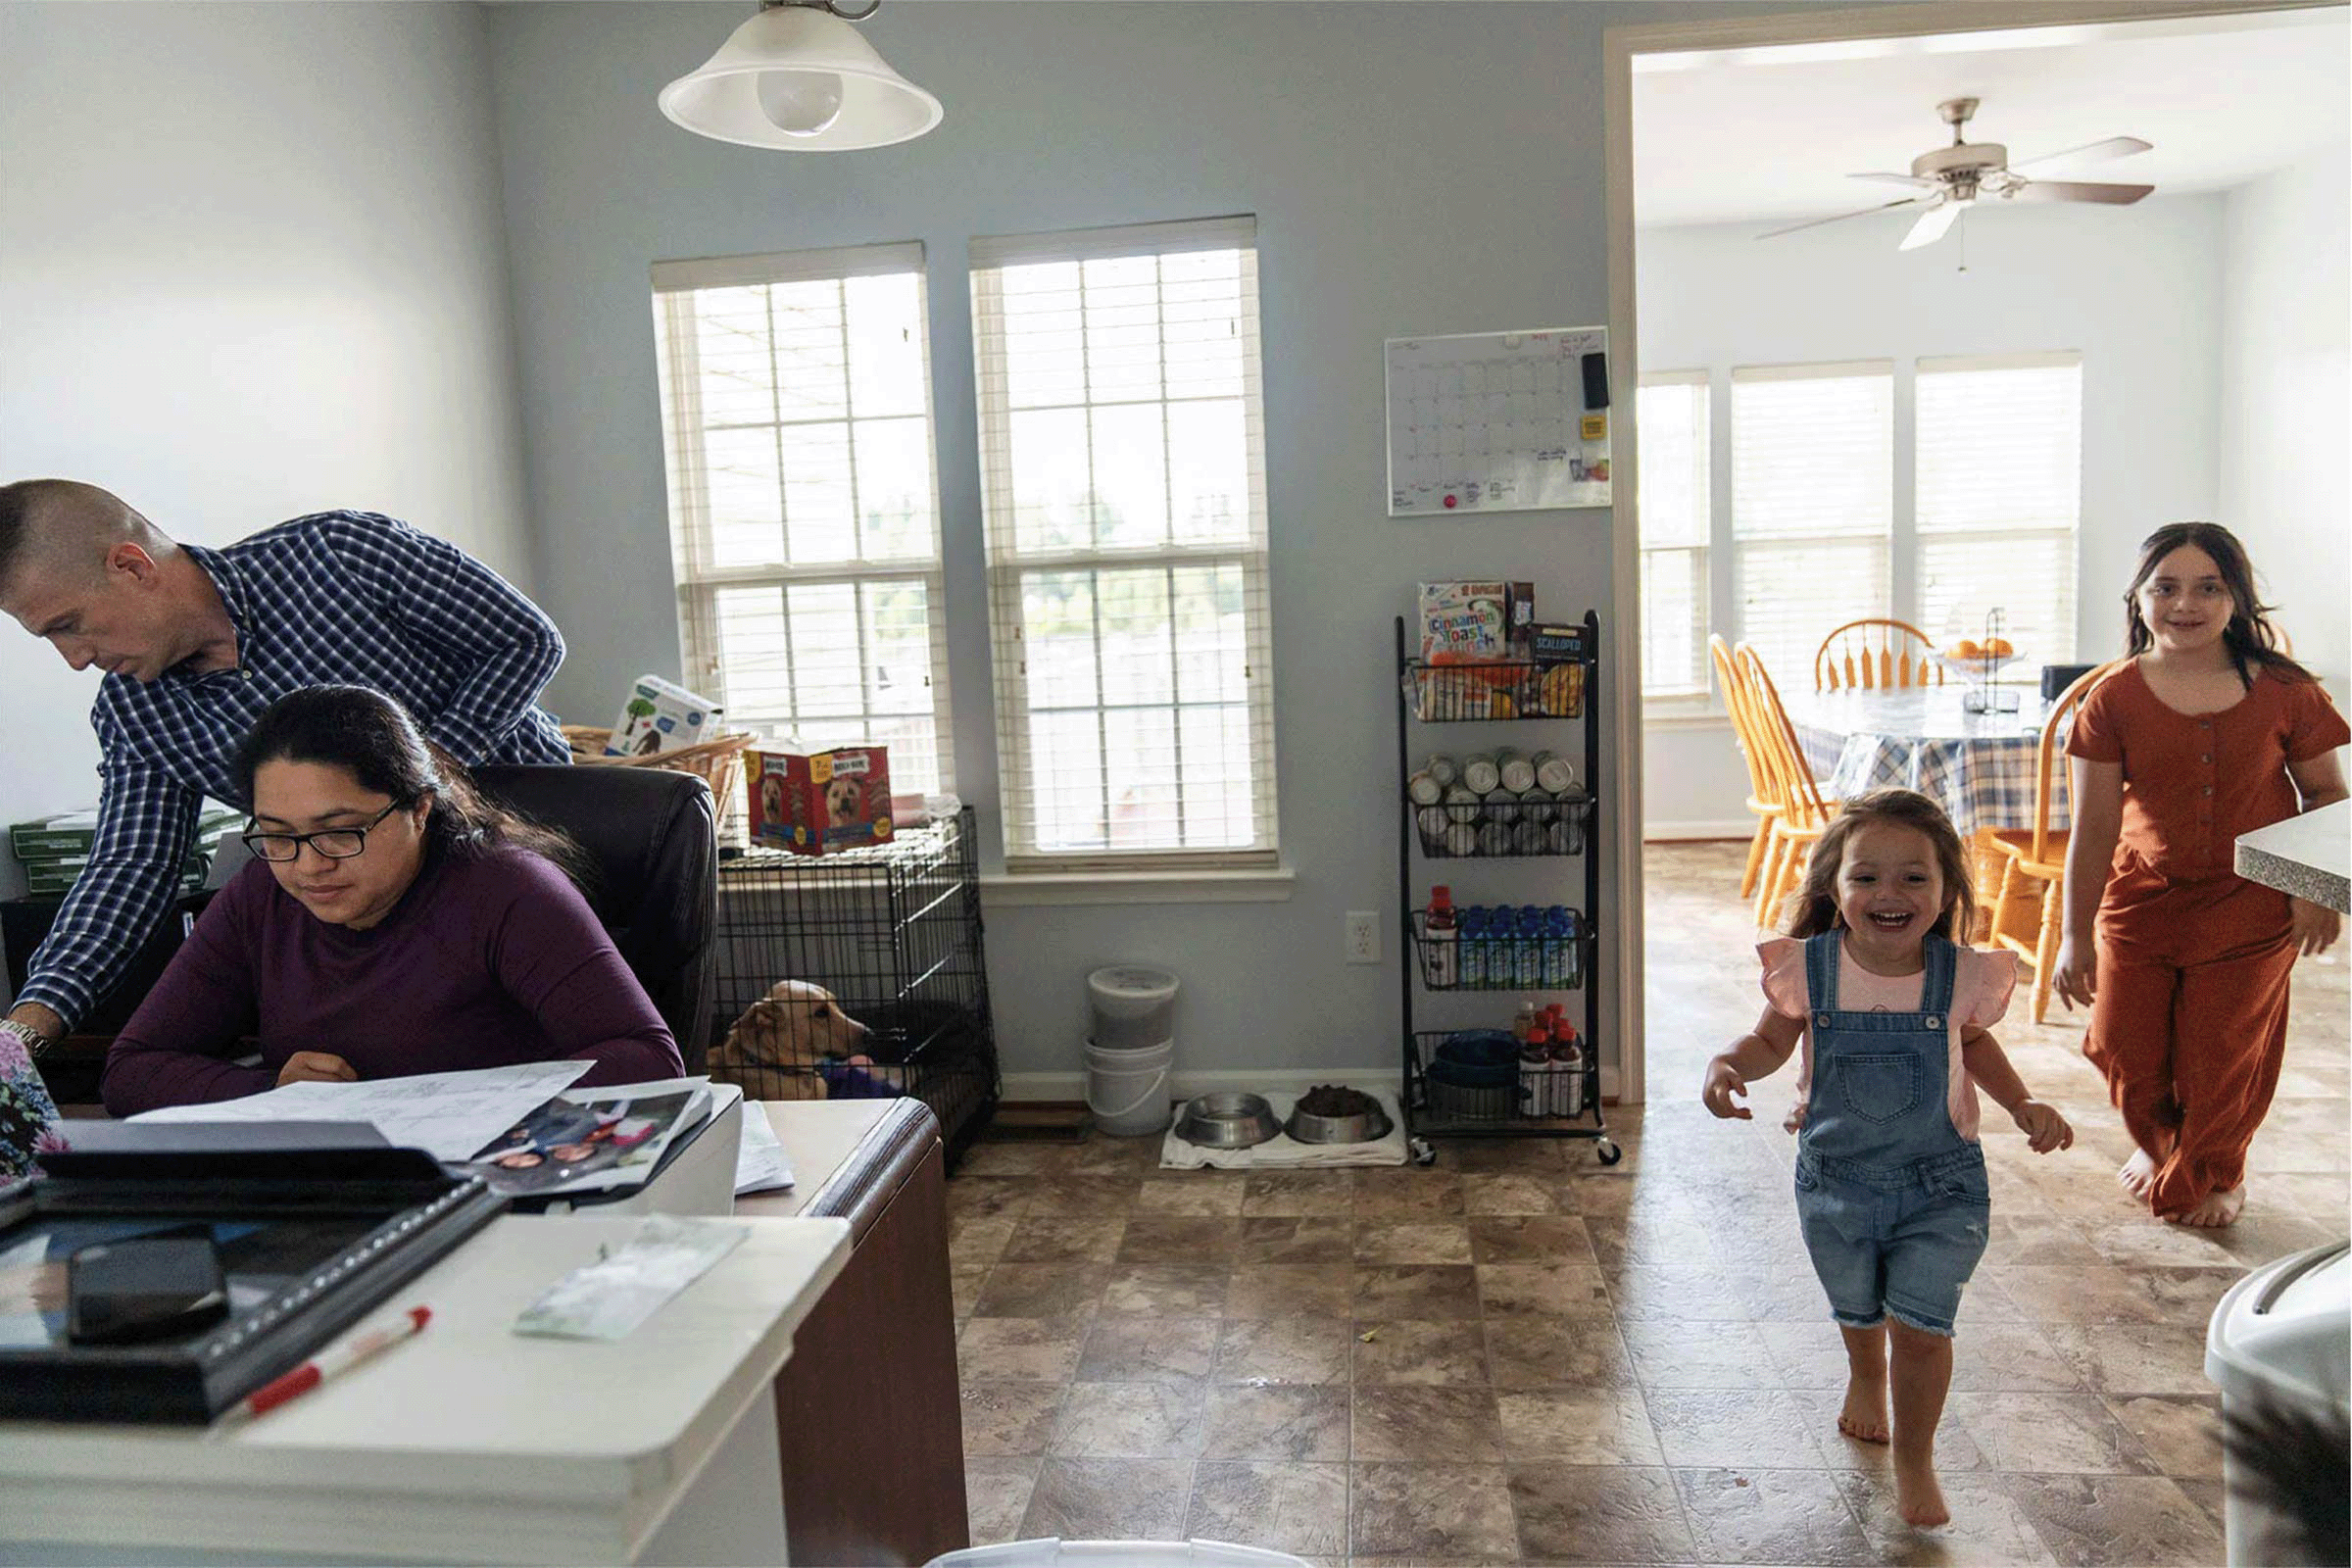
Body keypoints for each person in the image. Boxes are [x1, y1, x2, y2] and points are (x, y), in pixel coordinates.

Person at [0, 480, 570, 1065]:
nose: (73, 659)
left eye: (68, 625)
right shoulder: (134, 710)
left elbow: (525, 640)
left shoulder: (341, 553)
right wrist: (24, 1035)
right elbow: (131, 868)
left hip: (542, 850)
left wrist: (420, 780)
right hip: (386, 923)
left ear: (131, 566)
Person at [1701, 787, 2074, 1529]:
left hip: (1943, 1184)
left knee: (1926, 1326)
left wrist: (2021, 1104)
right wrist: (1728, 1063)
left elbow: (1974, 1044)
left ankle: (1915, 1459)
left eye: (1914, 877)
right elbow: (1772, 1041)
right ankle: (1864, 1374)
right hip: (1836, 1180)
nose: (1889, 893)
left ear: (1946, 890)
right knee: (1859, 1304)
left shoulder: (1960, 974)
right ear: (1834, 889)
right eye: (1866, 876)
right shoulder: (1809, 969)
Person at [100, 687, 680, 1114]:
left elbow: (649, 1060)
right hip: (345, 1194)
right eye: (277, 834)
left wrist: (435, 1101)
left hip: (506, 1181)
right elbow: (132, 1070)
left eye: (340, 830)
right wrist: (271, 1090)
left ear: (419, 810)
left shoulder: (509, 890)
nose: (309, 865)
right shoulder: (259, 896)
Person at [2053, 522, 2348, 1228]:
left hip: (2254, 907)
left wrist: (2317, 891)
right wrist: (2073, 935)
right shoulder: (2112, 698)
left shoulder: (2285, 691)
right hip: (2141, 905)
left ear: (2236, 599)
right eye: (2167, 587)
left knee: (2224, 1056)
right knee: (2124, 1043)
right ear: (2138, 598)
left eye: (2208, 587)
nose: (2186, 603)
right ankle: (2165, 1146)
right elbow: (2093, 828)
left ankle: (2213, 1171)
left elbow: (2329, 796)